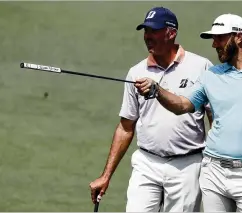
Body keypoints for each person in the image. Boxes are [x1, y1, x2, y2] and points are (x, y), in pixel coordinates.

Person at [135, 13, 242, 212]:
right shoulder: (212, 75)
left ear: (239, 37)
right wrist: (157, 90)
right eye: (213, 39)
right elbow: (182, 104)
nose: (214, 44)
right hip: (213, 172)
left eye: (219, 38)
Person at [89, 6, 213, 212]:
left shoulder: (201, 67)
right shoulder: (136, 72)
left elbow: (214, 118)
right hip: (147, 162)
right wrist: (106, 176)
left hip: (188, 165)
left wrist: (213, 164)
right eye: (146, 31)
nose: (147, 36)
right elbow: (126, 127)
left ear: (171, 33)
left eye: (153, 31)